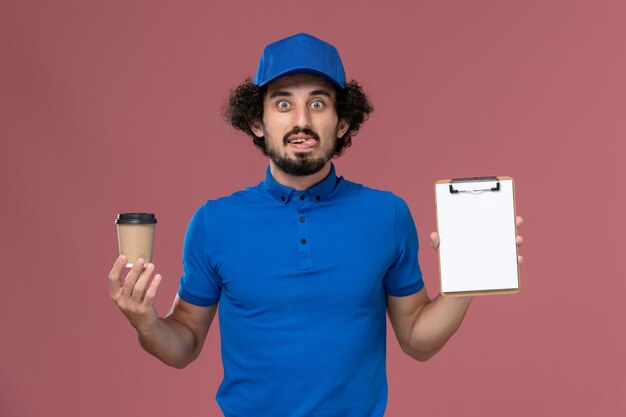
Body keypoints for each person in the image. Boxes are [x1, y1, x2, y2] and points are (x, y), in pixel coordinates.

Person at [108, 33, 524, 417]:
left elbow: (416, 339)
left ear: (342, 122)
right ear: (258, 121)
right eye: (283, 103)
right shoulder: (213, 223)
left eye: (319, 103)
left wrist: (465, 281)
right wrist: (146, 322)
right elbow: (184, 343)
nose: (301, 120)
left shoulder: (388, 214)